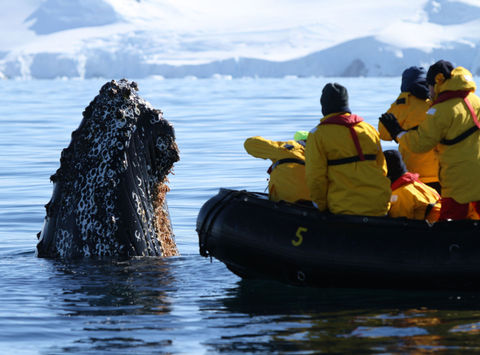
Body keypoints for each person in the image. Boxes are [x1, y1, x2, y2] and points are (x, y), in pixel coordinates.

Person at [380, 60, 480, 220]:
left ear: (438, 81)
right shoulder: (473, 100)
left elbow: (420, 143)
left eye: (430, 85)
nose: (429, 90)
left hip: (455, 177)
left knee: (451, 224)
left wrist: (398, 133)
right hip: (474, 171)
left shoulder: (440, 109)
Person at [305, 82, 391, 216]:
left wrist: (320, 207)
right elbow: (382, 169)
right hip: (380, 206)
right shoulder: (368, 129)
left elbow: (316, 178)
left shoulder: (317, 135)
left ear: (324, 106)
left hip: (344, 209)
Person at [378, 66, 441, 193]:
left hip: (414, 174)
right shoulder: (436, 101)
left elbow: (384, 134)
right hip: (440, 173)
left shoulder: (403, 104)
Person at [244, 131, 310, 203]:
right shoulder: (320, 154)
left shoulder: (289, 148)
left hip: (287, 202)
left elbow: (250, 144)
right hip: (315, 205)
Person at [384, 149, 441, 223]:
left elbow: (399, 226)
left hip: (432, 232)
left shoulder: (399, 195)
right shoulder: (421, 186)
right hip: (444, 228)